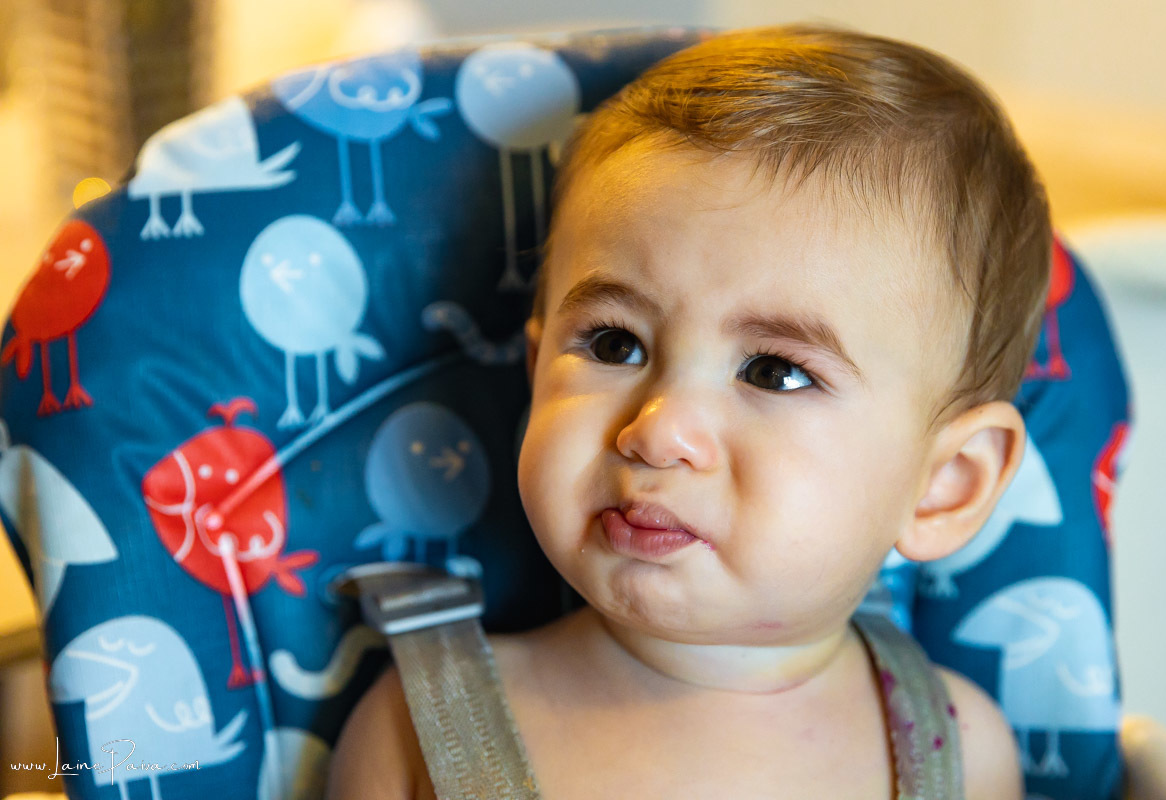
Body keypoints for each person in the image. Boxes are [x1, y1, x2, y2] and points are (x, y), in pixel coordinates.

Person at [328, 24, 1049, 799]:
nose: (658, 430)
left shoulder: (963, 753)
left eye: (775, 372)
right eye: (613, 344)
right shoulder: (421, 733)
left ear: (946, 482)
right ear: (537, 371)